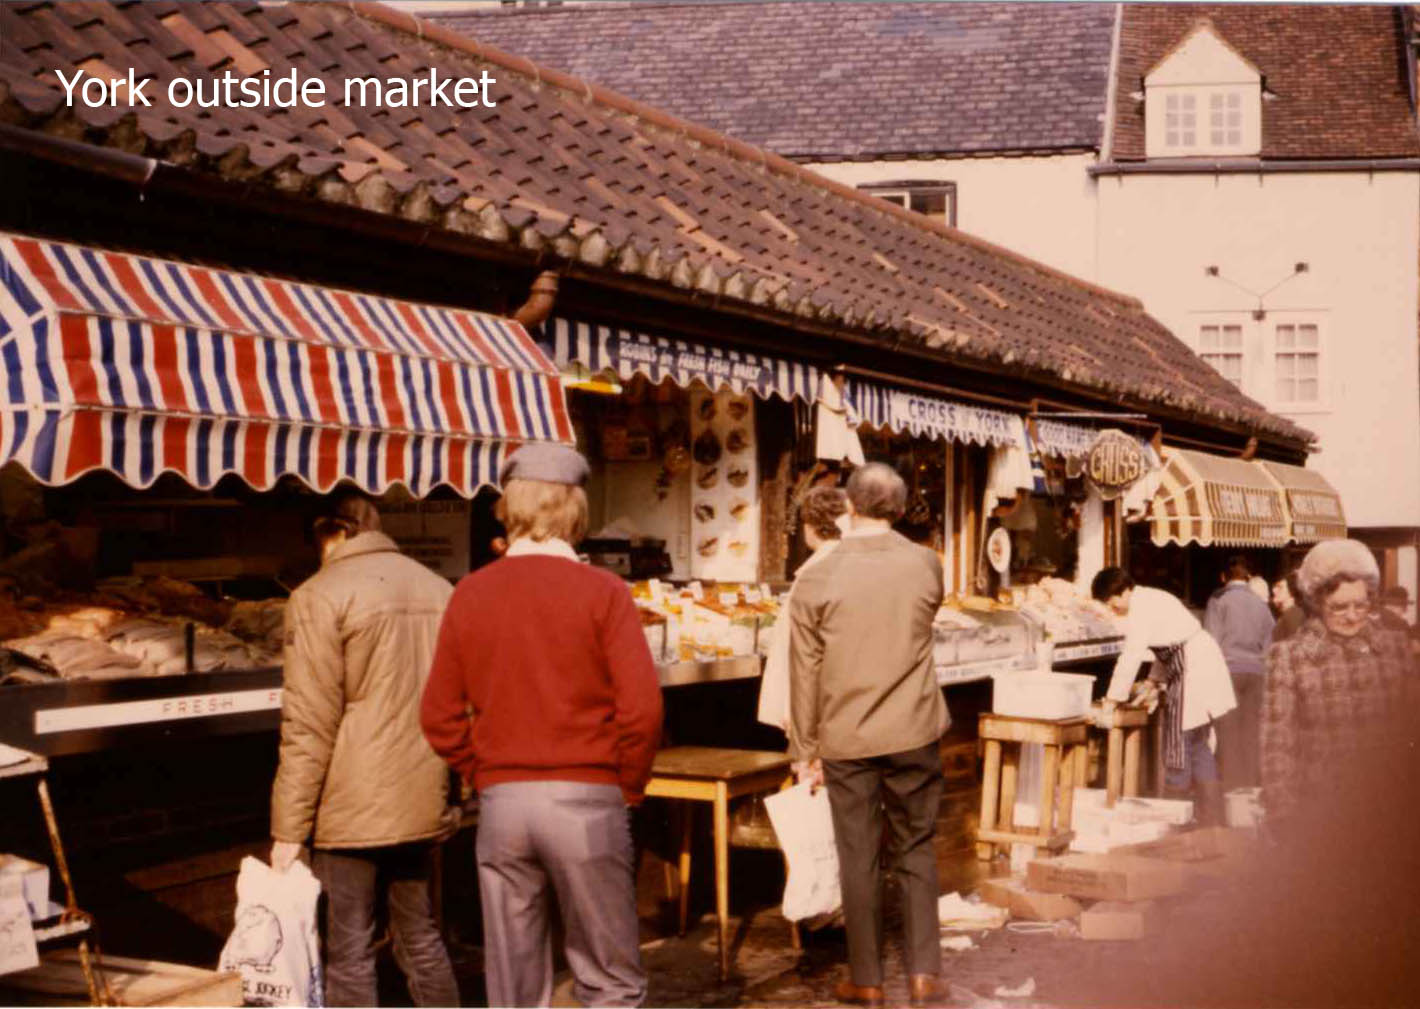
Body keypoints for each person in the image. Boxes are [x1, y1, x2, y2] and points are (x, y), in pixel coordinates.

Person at [419, 444, 663, 1008]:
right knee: (610, 977)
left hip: (503, 804)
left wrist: (484, 773)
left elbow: (438, 715)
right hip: (588, 797)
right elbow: (643, 710)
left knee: (514, 985)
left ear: (510, 507)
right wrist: (628, 784)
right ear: (575, 509)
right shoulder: (604, 592)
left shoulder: (471, 592)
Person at [270, 492, 459, 1008]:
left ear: (332, 531)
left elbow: (309, 725)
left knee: (349, 950)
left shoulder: (316, 596)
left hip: (350, 806)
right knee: (421, 936)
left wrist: (288, 830)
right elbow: (460, 704)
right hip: (422, 796)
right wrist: (454, 795)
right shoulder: (440, 589)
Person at [789, 462, 948, 1008]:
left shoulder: (816, 576)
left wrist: (804, 749)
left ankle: (868, 979)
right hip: (914, 728)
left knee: (857, 856)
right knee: (916, 848)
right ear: (899, 510)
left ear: (849, 506)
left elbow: (804, 670)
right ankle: (925, 974)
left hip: (845, 733)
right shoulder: (926, 564)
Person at [1261, 539, 1416, 827]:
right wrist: (1284, 820)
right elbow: (1278, 750)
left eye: (1361, 605)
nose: (1353, 616)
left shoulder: (1394, 648)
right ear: (1317, 603)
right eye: (1340, 607)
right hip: (1322, 815)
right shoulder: (1290, 658)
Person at [1093, 568, 1236, 825]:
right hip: (1196, 662)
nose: (1112, 608)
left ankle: (1173, 818)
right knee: (1198, 745)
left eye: (1112, 602)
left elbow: (1131, 657)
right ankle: (1212, 820)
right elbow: (1168, 645)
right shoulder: (1150, 598)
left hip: (1192, 668)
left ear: (1124, 592)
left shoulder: (1141, 609)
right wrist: (1152, 681)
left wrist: (1112, 700)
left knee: (1177, 743)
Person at [758, 485, 848, 734]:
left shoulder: (815, 572)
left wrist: (793, 708)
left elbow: (800, 646)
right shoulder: (846, 563)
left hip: (813, 703)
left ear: (809, 526)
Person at [1205, 556, 1276, 791]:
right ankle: (1252, 788)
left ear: (1223, 577)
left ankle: (1232, 790)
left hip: (1228, 672)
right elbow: (1270, 642)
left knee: (1228, 734)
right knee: (1251, 733)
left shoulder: (1219, 600)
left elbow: (1211, 642)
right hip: (1256, 673)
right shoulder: (1261, 605)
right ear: (1248, 577)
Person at [1271, 571, 1307, 644]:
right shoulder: (1289, 615)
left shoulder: (1293, 616)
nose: (1274, 590)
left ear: (1291, 593)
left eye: (1280, 587)